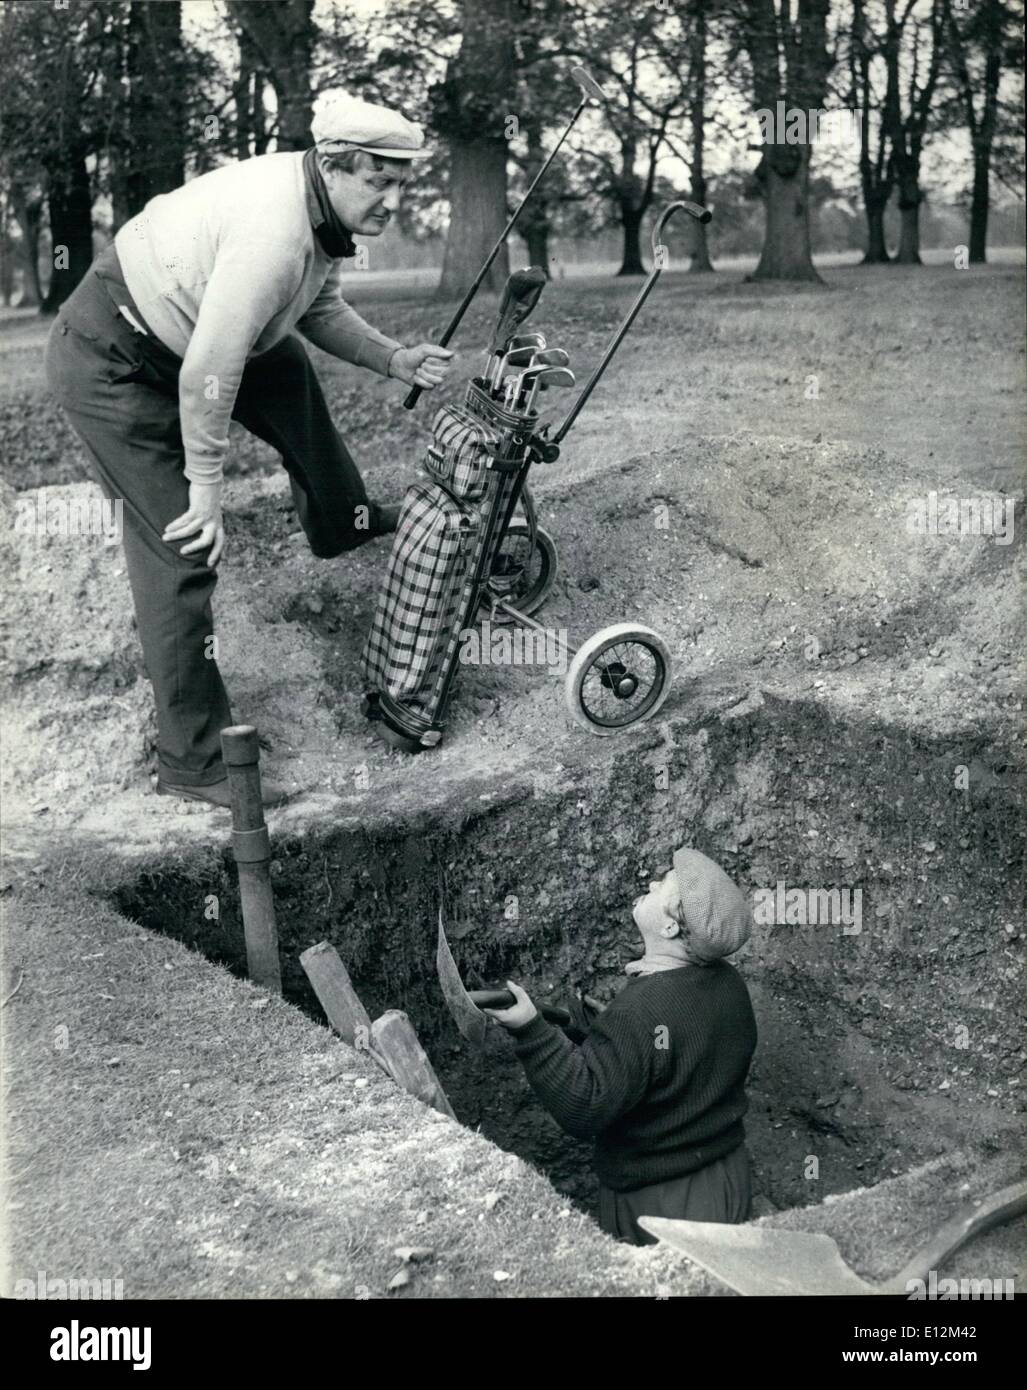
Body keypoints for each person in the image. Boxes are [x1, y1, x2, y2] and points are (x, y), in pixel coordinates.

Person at [45, 93, 454, 809]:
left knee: (286, 364)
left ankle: (340, 519)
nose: (393, 200)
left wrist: (392, 358)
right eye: (378, 182)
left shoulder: (317, 210)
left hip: (175, 338)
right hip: (111, 357)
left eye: (401, 183)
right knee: (181, 546)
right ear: (331, 165)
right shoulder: (274, 232)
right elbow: (209, 370)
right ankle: (195, 761)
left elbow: (315, 307)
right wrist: (206, 487)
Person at [486, 846, 758, 1245]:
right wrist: (596, 1035)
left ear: (669, 929)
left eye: (662, 886)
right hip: (727, 1177)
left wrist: (532, 1032)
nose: (650, 883)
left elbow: (584, 1106)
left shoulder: (641, 1010)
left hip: (664, 1205)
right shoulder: (728, 984)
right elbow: (678, 1056)